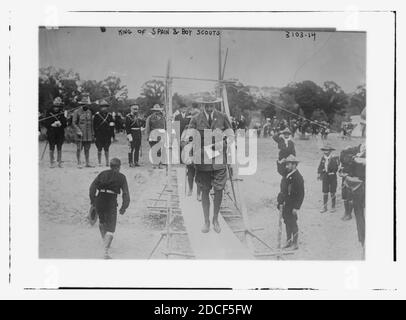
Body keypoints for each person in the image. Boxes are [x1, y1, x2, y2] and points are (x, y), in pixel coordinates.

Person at [188, 96, 233, 234]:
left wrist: (223, 144)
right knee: (205, 191)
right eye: (206, 106)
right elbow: (189, 137)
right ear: (203, 105)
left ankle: (215, 219)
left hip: (219, 161)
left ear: (214, 105)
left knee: (219, 190)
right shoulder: (195, 119)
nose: (209, 108)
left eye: (211, 105)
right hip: (203, 162)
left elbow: (231, 135)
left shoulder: (222, 117)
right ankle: (206, 221)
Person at [89, 158, 130, 259]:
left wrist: (93, 201)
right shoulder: (121, 177)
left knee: (102, 222)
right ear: (119, 167)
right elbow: (126, 193)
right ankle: (105, 251)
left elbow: (92, 188)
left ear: (110, 166)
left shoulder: (102, 173)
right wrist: (124, 207)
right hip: (111, 201)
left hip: (100, 198)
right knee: (111, 228)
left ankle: (104, 243)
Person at [276, 155, 305, 250]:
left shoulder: (298, 177)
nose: (287, 166)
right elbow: (280, 171)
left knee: (293, 222)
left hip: (292, 205)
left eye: (289, 164)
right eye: (286, 164)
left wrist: (296, 207)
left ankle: (295, 243)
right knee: (286, 222)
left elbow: (301, 194)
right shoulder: (287, 173)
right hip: (285, 203)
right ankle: (288, 241)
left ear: (295, 165)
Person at [43, 97, 67, 168]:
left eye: (58, 106)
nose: (56, 108)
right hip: (51, 132)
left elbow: (65, 123)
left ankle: (59, 162)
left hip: (60, 132)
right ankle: (51, 162)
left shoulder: (62, 112)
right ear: (53, 105)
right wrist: (51, 124)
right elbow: (45, 122)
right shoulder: (49, 112)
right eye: (55, 106)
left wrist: (61, 123)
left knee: (59, 147)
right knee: (52, 146)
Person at [72, 96, 94, 168]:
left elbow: (91, 123)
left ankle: (87, 162)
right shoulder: (76, 112)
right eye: (83, 104)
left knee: (87, 148)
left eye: (86, 104)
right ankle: (79, 162)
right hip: (80, 134)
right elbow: (74, 123)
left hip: (88, 134)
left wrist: (92, 133)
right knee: (79, 148)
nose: (85, 105)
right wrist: (78, 131)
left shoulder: (89, 112)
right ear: (81, 104)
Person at [317, 144, 340, 213]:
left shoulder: (334, 158)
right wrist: (319, 173)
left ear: (330, 151)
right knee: (325, 191)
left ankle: (333, 207)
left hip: (332, 176)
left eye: (327, 150)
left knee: (333, 191)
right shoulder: (323, 158)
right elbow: (320, 167)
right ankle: (325, 207)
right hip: (325, 177)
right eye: (324, 150)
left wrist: (332, 171)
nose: (326, 152)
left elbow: (336, 168)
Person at [93, 100, 115, 167]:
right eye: (102, 107)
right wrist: (95, 135)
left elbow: (112, 126)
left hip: (107, 135)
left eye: (105, 107)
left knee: (106, 148)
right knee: (99, 148)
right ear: (100, 108)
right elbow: (94, 126)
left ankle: (107, 162)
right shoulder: (97, 116)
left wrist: (112, 136)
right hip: (99, 135)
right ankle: (99, 162)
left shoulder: (110, 116)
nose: (104, 108)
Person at [145, 104, 166, 169]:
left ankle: (160, 163)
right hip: (153, 135)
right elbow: (147, 127)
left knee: (160, 149)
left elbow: (165, 127)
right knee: (154, 149)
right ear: (153, 111)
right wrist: (147, 136)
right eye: (155, 110)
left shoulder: (163, 117)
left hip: (161, 135)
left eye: (158, 110)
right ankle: (154, 163)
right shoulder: (150, 118)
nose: (157, 112)